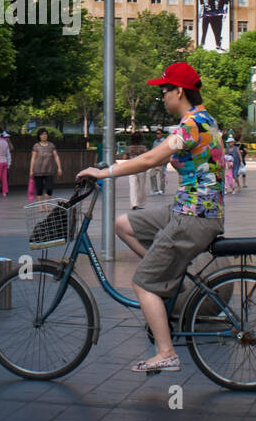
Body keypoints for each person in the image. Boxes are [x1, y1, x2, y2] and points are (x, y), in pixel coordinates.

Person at [77, 61, 225, 375]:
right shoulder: (202, 119)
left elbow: (148, 160)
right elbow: (164, 156)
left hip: (193, 216)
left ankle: (166, 352)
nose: (162, 97)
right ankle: (167, 274)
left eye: (165, 90)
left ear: (180, 91)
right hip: (187, 210)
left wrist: (104, 172)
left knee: (142, 282)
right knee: (123, 224)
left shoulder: (192, 124)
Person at [29, 128, 63, 198]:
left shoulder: (51, 145)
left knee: (49, 189)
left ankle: (47, 205)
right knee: (39, 190)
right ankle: (41, 207)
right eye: (42, 134)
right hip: (38, 171)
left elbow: (56, 156)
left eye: (45, 134)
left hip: (49, 171)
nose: (44, 136)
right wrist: (31, 170)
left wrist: (59, 168)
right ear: (39, 136)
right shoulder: (36, 146)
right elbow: (33, 159)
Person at [126, 133, 148, 209]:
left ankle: (134, 203)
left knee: (133, 186)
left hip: (131, 168)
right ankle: (140, 203)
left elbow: (125, 157)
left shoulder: (128, 148)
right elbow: (147, 157)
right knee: (141, 186)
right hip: (141, 168)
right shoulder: (143, 148)